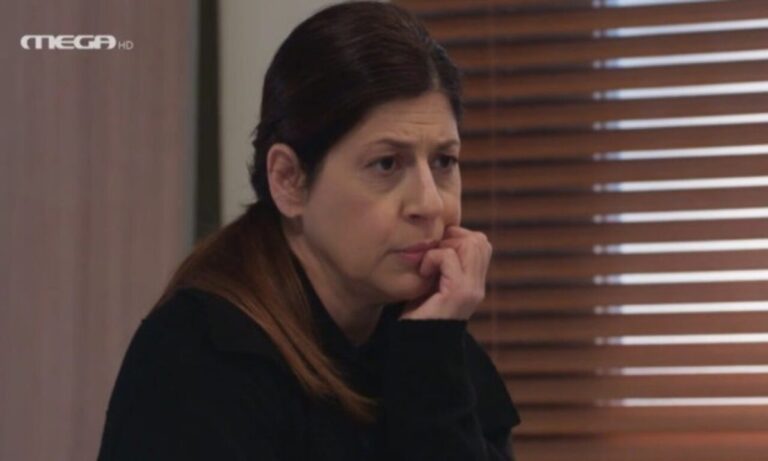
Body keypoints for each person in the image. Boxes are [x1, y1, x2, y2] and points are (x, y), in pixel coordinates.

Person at [97, 1, 521, 460]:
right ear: (289, 180)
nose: (430, 203)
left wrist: (430, 362)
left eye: (443, 162)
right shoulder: (200, 357)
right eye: (386, 164)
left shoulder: (431, 341)